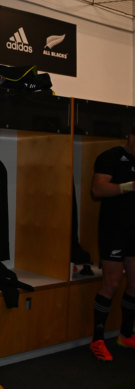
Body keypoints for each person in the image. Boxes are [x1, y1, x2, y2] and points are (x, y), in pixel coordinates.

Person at [89, 127, 135, 361]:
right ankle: (97, 340)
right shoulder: (110, 157)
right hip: (114, 229)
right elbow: (97, 189)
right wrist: (129, 186)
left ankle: (126, 334)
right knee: (112, 282)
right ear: (130, 136)